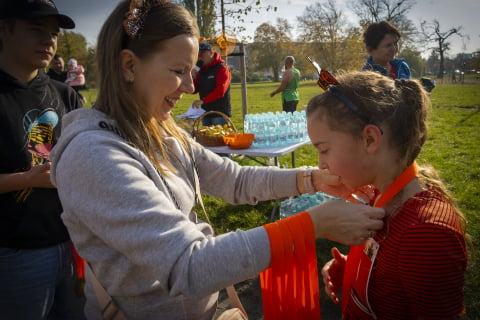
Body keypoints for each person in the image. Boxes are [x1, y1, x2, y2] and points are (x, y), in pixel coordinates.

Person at [49, 1, 386, 319]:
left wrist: (310, 180)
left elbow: (234, 180)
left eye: (192, 70)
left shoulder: (161, 130)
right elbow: (189, 266)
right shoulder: (93, 155)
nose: (191, 86)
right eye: (179, 70)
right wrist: (312, 225)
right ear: (129, 66)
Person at [306, 71, 469, 319]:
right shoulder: (380, 196)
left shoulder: (425, 234)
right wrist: (353, 265)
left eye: (325, 150)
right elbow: (397, 267)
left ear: (370, 139)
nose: (321, 165)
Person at [0, 0, 86, 319]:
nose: (49, 40)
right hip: (14, 254)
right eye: (37, 29)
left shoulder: (66, 95)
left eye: (53, 33)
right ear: (4, 29)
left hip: (73, 244)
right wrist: (28, 179)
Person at [192, 41, 232, 126]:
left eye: (202, 55)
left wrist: (203, 101)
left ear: (210, 53)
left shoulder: (222, 69)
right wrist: (192, 78)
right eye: (197, 56)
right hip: (205, 114)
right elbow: (194, 90)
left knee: (220, 139)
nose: (200, 59)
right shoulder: (200, 70)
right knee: (207, 138)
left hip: (220, 114)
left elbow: (220, 91)